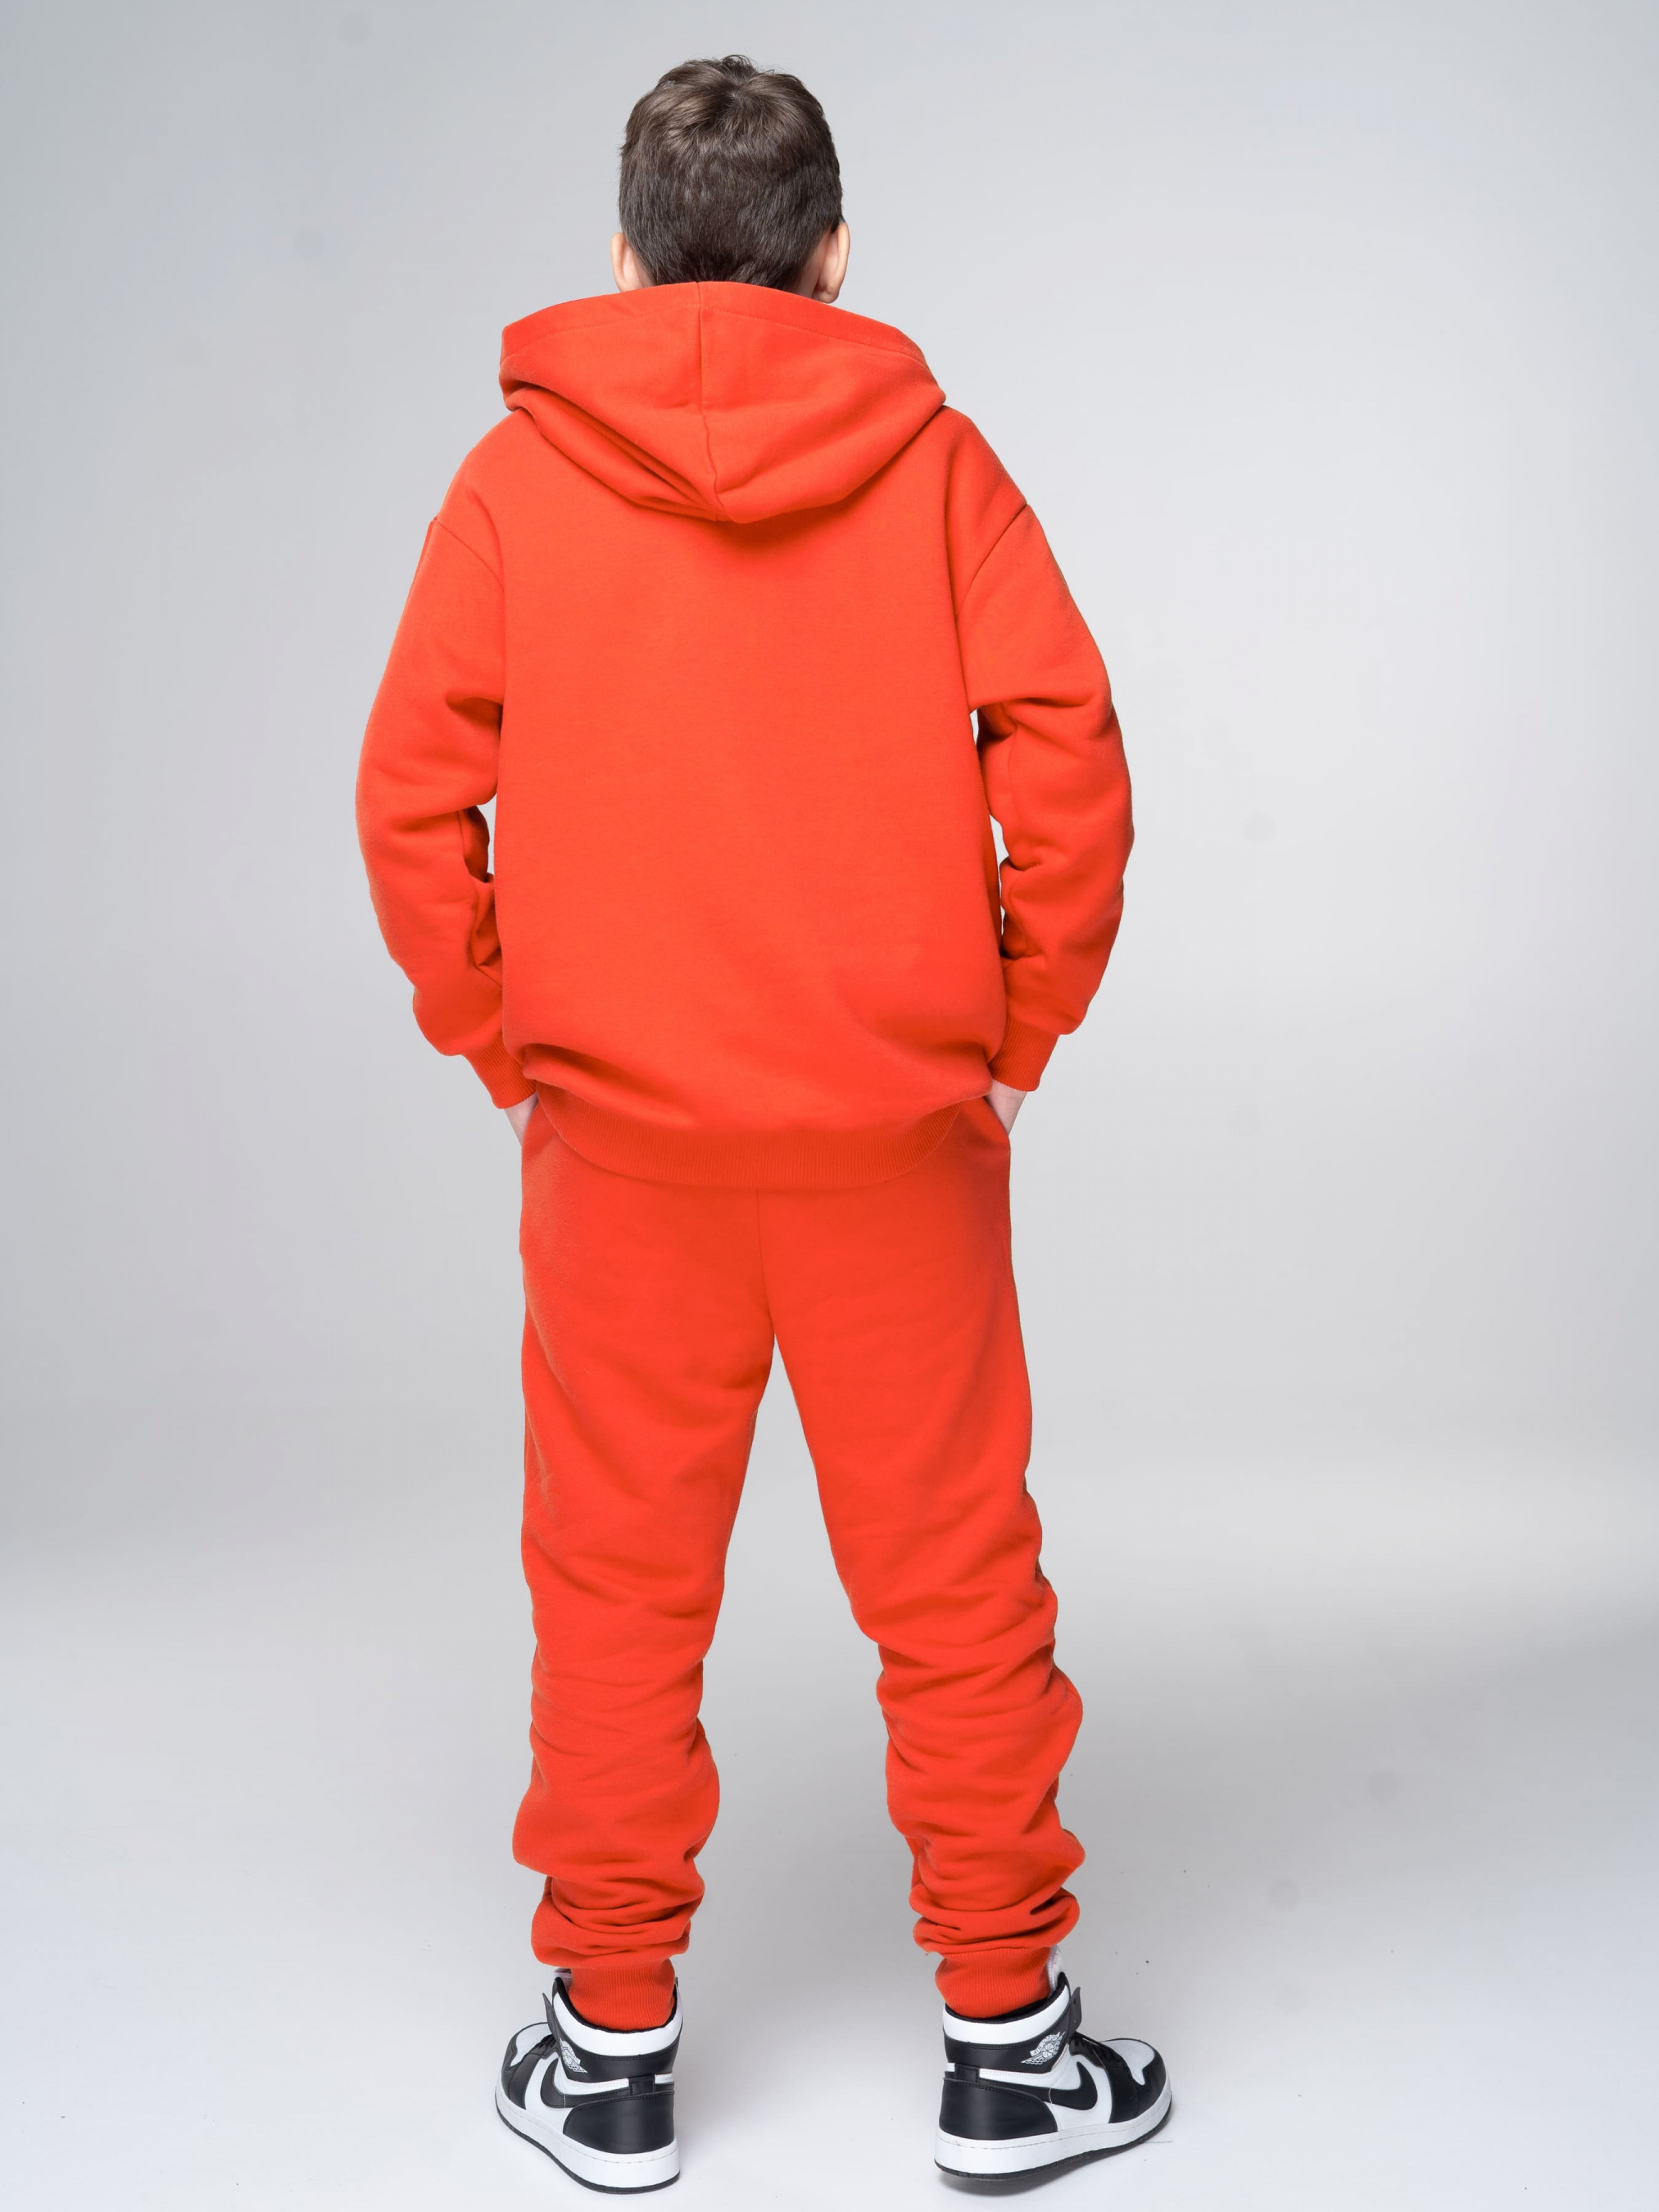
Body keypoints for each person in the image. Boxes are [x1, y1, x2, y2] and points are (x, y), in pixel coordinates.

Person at [356, 52, 1167, 2192]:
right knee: (957, 1589)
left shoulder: (514, 485)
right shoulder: (938, 467)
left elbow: (409, 801)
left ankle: (609, 2047)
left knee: (616, 1594)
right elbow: (1071, 752)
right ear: (833, 260)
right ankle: (1007, 2045)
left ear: (621, 264)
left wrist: (506, 1038)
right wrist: (1013, 1018)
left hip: (622, 1153)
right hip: (894, 1141)